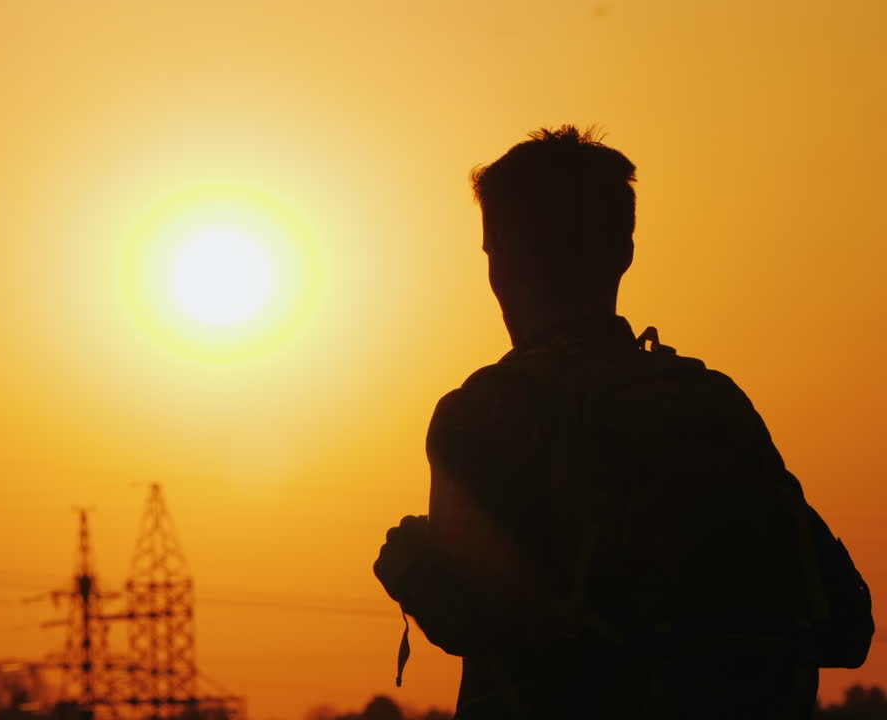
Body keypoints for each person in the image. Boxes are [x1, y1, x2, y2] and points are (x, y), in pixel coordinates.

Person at [373, 126, 872, 719]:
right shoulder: (712, 403)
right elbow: (846, 623)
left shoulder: (484, 413)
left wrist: (408, 564)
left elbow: (474, 621)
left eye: (490, 250)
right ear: (625, 251)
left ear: (504, 256)